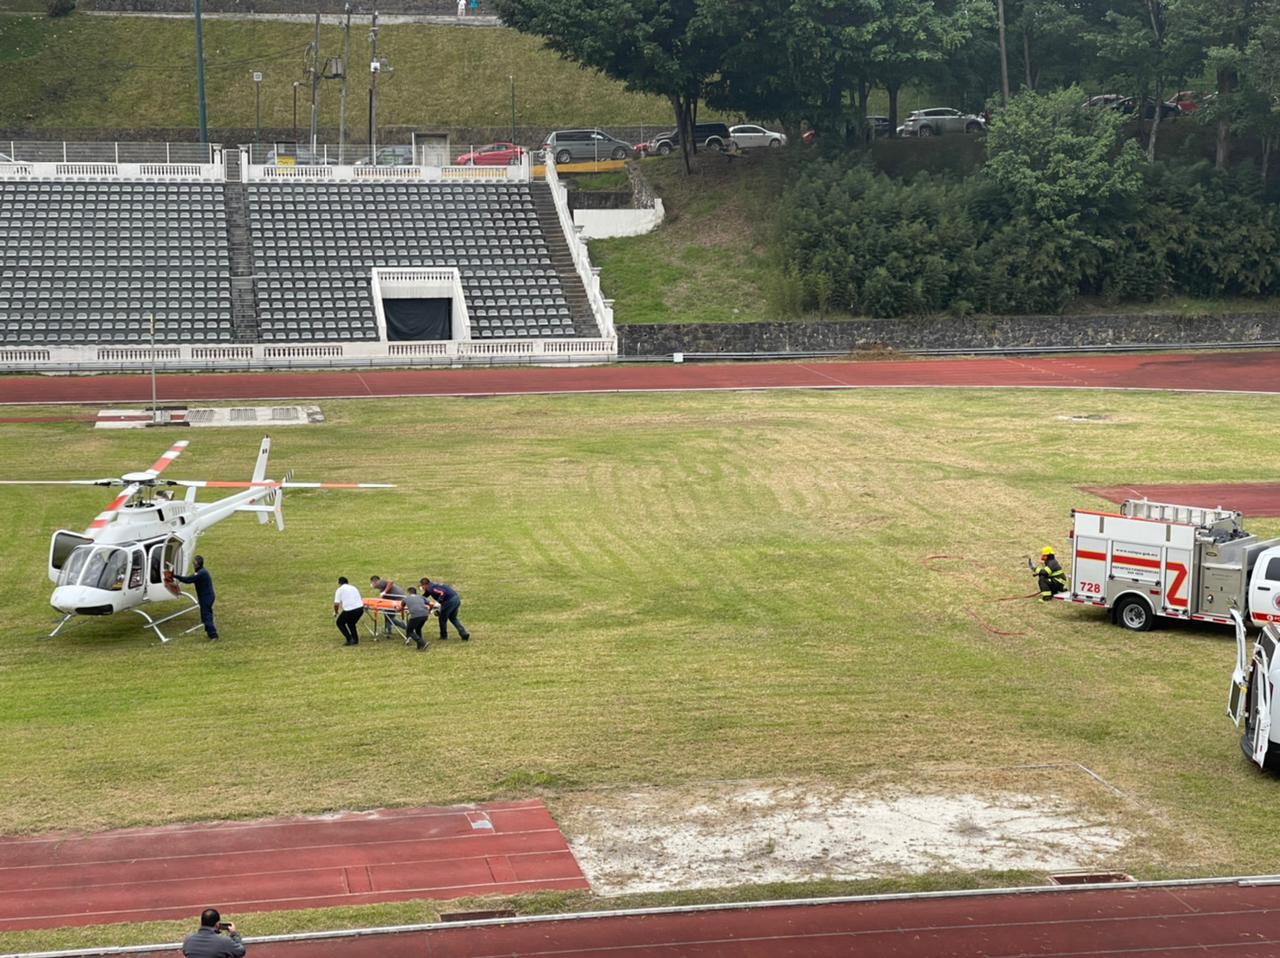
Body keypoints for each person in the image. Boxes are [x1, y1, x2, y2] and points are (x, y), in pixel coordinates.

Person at [173, 555, 218, 641]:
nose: (193, 565)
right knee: (206, 614)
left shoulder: (200, 574)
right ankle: (209, 632)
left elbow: (188, 580)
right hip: (206, 597)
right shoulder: (201, 572)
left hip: (206, 598)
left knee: (206, 615)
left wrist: (175, 576)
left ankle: (213, 635)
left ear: (197, 564)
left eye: (194, 563)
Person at [421, 577, 470, 641]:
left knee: (442, 619)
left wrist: (439, 601)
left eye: (422, 586)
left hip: (449, 601)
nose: (422, 587)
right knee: (453, 618)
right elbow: (424, 596)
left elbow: (442, 592)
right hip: (456, 599)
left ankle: (443, 636)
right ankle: (463, 634)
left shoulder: (432, 588)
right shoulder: (432, 586)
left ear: (425, 585)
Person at [334, 576, 364, 646]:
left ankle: (349, 639)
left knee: (339, 622)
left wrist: (336, 612)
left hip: (350, 610)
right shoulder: (353, 587)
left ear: (339, 583)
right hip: (360, 609)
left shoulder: (339, 589)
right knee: (351, 623)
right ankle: (355, 639)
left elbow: (336, 604)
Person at [403, 586, 431, 651]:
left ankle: (423, 643)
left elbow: (401, 607)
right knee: (418, 629)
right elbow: (431, 604)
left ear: (408, 592)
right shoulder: (421, 597)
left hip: (416, 616)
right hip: (425, 615)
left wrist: (397, 609)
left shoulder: (406, 598)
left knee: (409, 631)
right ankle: (419, 646)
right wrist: (429, 610)